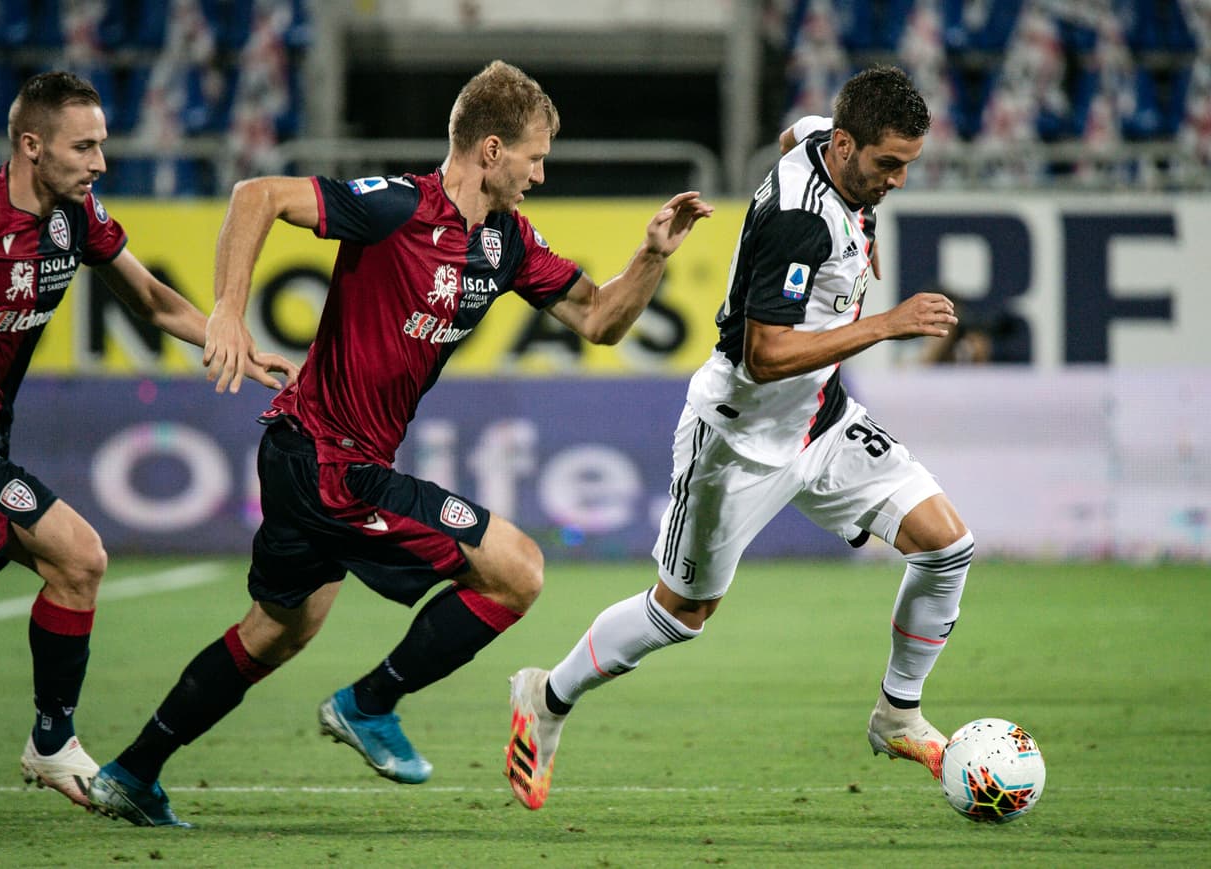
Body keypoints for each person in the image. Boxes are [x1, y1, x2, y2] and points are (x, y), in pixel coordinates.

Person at [86, 59, 713, 828]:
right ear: (490, 150)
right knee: (517, 569)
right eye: (534, 156)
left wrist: (651, 255)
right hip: (327, 460)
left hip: (314, 455)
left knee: (277, 629)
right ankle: (370, 701)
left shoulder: (504, 242)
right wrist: (226, 312)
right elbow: (257, 195)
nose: (541, 174)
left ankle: (132, 771)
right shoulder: (396, 207)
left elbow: (599, 319)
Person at [505, 66, 974, 811]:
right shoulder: (799, 223)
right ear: (850, 147)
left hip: (821, 419)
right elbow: (765, 356)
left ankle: (898, 712)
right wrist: (887, 320)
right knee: (680, 614)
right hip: (738, 439)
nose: (899, 179)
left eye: (908, 163)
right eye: (888, 165)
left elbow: (797, 132)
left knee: (947, 544)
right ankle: (548, 695)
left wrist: (864, 238)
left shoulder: (827, 141)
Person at [0, 72, 291, 810]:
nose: (100, 162)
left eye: (102, 143)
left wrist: (233, 341)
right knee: (80, 554)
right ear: (31, 145)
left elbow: (153, 300)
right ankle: (52, 740)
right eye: (83, 146)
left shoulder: (76, 217)